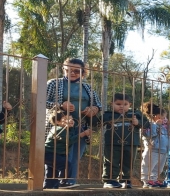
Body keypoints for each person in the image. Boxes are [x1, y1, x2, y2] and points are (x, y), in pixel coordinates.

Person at [44, 58, 101, 188]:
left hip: (81, 126)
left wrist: (93, 109)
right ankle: (52, 183)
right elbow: (41, 101)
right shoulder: (54, 83)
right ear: (63, 69)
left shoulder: (87, 87)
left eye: (76, 70)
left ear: (83, 73)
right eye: (68, 69)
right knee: (59, 154)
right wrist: (60, 105)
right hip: (60, 127)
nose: (72, 73)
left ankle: (69, 181)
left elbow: (98, 104)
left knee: (76, 156)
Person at [101, 93, 142, 188]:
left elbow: (146, 124)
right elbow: (98, 122)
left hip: (131, 143)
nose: (121, 107)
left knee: (128, 162)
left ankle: (125, 180)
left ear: (130, 105)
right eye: (118, 104)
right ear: (112, 104)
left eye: (125, 104)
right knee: (111, 161)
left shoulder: (135, 114)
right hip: (112, 143)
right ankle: (109, 180)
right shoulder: (108, 115)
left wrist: (137, 122)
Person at [43, 111, 90, 189]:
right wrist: (83, 134)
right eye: (67, 119)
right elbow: (69, 140)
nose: (71, 120)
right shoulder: (59, 129)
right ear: (57, 121)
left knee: (52, 171)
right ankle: (63, 182)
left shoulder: (67, 129)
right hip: (49, 153)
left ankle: (49, 186)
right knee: (66, 165)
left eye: (71, 118)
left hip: (53, 153)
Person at [140, 102, 170, 188]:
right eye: (163, 117)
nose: (165, 119)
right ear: (155, 116)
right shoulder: (147, 124)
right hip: (152, 149)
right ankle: (146, 181)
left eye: (165, 117)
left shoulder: (164, 126)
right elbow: (150, 135)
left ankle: (153, 180)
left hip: (163, 150)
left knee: (158, 168)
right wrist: (156, 125)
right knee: (148, 165)